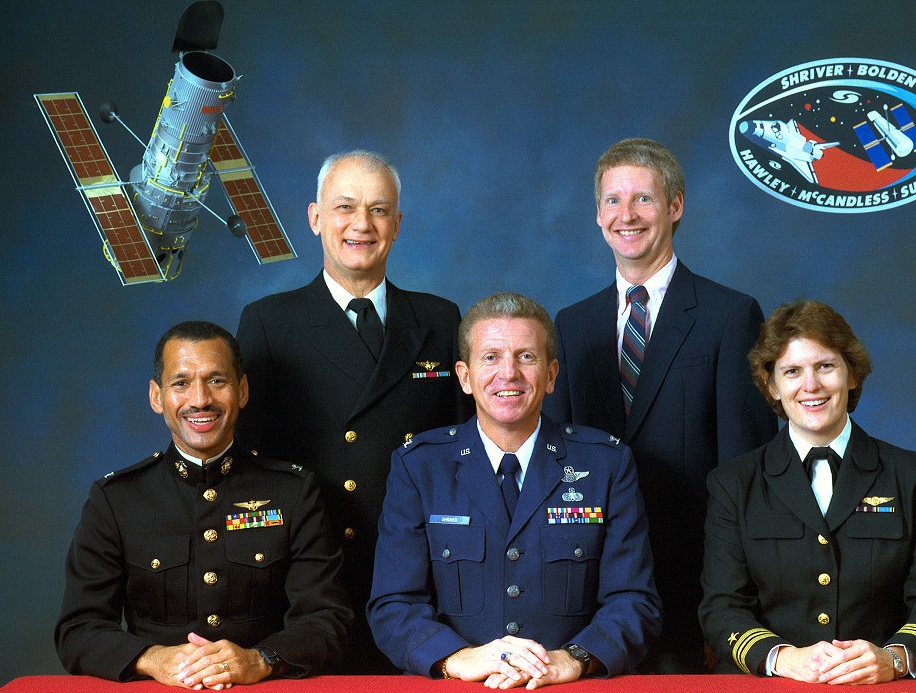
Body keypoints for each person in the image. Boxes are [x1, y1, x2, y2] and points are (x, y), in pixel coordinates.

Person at [544, 137, 778, 672]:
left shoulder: (729, 315)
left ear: (675, 207)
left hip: (694, 581)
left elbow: (746, 466)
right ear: (598, 215)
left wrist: (732, 589)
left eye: (643, 199)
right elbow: (556, 461)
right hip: (589, 586)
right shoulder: (572, 325)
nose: (626, 215)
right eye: (612, 200)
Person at [235, 150, 470, 672]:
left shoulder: (439, 318)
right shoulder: (269, 324)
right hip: (309, 579)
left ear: (398, 224)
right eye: (345, 207)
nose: (361, 225)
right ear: (316, 218)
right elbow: (250, 470)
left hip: (420, 578)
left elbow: (463, 456)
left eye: (379, 210)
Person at [367, 293, 661, 688]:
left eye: (526, 357)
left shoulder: (607, 464)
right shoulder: (419, 467)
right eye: (490, 357)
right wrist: (458, 658)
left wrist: (571, 660)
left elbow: (634, 600)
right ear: (465, 376)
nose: (509, 373)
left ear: (552, 374)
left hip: (569, 685)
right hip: (459, 685)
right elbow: (393, 604)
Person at [55, 321, 352, 688]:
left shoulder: (294, 492)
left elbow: (327, 618)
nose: (199, 399)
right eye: (180, 383)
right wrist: (152, 658)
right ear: (156, 396)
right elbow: (78, 628)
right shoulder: (115, 500)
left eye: (217, 380)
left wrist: (261, 659)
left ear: (241, 390)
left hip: (264, 685)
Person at [699, 300, 916, 683]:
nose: (811, 386)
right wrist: (783, 659)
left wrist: (892, 659)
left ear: (852, 374)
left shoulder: (913, 478)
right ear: (772, 386)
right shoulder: (732, 484)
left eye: (825, 366)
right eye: (792, 371)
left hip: (876, 688)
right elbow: (721, 607)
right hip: (770, 687)